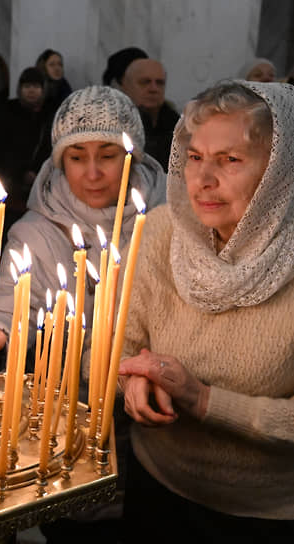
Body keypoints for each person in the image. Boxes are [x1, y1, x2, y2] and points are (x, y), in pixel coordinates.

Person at [119, 81, 294, 543]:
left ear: (279, 171)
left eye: (230, 160)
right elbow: (112, 341)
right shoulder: (160, 233)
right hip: (156, 485)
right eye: (194, 157)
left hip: (262, 516)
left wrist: (202, 400)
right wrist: (130, 374)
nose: (202, 180)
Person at [0, 85, 166, 370]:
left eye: (107, 156)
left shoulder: (169, 223)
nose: (93, 173)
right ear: (60, 162)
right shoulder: (36, 234)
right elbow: (15, 305)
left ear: (132, 157)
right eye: (77, 157)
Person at [0, 67, 53, 233]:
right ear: (20, 89)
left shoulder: (48, 115)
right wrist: (20, 173)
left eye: (36, 87)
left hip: (36, 186)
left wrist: (35, 171)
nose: (31, 91)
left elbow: (47, 147)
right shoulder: (6, 112)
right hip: (9, 183)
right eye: (27, 86)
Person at [119, 57, 180, 171]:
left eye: (159, 83)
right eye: (145, 82)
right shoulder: (113, 127)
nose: (153, 89)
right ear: (126, 86)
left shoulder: (178, 127)